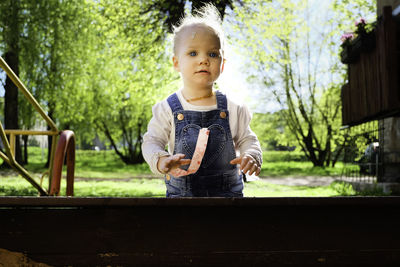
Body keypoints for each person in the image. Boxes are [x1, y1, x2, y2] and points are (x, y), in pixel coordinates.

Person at [142, 4, 262, 197]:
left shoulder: (233, 108)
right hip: (181, 203)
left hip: (228, 202)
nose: (203, 60)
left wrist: (252, 155)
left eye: (213, 54)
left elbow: (248, 139)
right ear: (176, 63)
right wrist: (160, 159)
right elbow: (152, 141)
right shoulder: (167, 108)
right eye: (193, 53)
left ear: (222, 65)